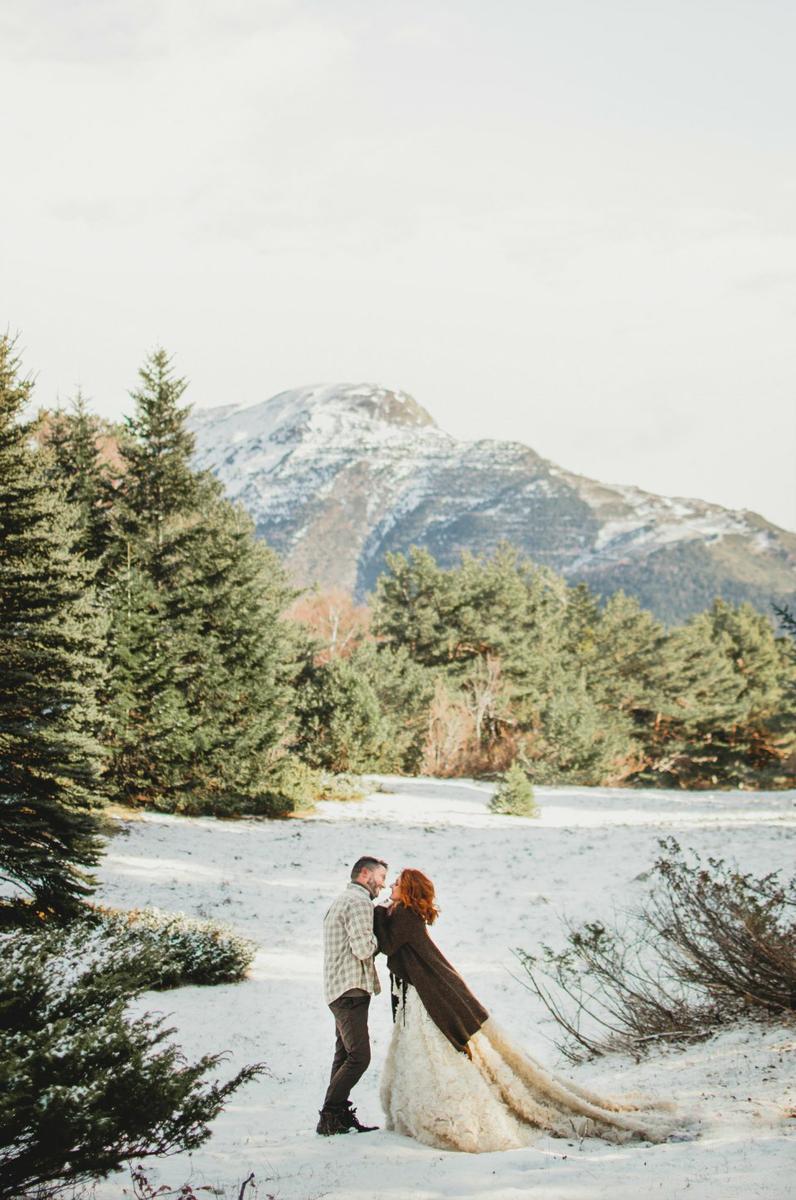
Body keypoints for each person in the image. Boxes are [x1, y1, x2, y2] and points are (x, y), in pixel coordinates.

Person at [374, 868, 676, 1153]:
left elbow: (387, 945)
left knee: (433, 1050)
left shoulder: (405, 915)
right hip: (424, 989)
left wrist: (374, 910)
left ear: (409, 890)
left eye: (398, 882)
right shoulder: (405, 913)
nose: (392, 886)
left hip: (429, 992)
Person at [317, 855, 388, 1136]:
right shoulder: (359, 903)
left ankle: (336, 1117)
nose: (383, 885)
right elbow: (363, 948)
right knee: (359, 1056)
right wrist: (383, 935)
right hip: (350, 989)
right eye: (380, 878)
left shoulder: (344, 899)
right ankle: (329, 1116)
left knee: (344, 1054)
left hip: (339, 988)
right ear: (364, 875)